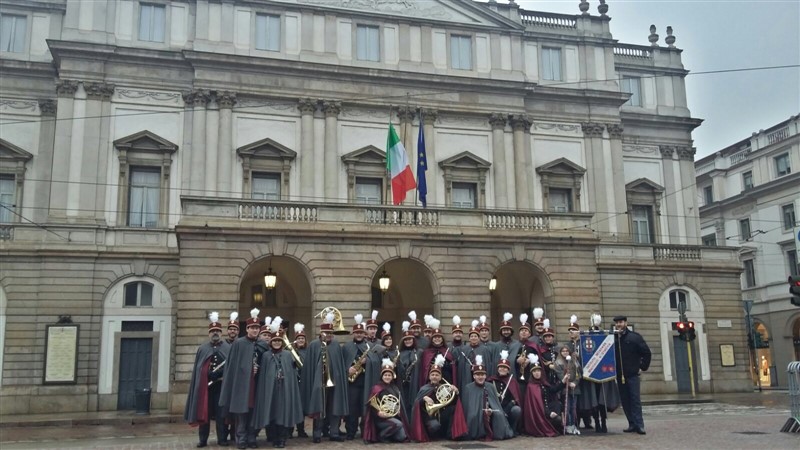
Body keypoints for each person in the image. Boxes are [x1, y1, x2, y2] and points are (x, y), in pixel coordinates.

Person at [252, 318, 304, 449]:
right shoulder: (266, 356)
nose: (276, 343)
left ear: (281, 342)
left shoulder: (287, 355)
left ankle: (281, 438)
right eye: (274, 341)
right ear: (271, 342)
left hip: (284, 389)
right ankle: (273, 436)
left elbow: (292, 372)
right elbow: (263, 374)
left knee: (282, 413)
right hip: (270, 390)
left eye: (278, 341)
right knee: (271, 412)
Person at [301, 311, 349, 443]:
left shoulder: (336, 346)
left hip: (335, 382)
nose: (328, 335)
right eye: (326, 333)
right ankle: (317, 433)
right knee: (319, 407)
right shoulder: (314, 345)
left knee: (335, 407)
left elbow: (339, 363)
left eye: (330, 333)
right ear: (320, 332)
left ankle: (334, 432)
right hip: (319, 383)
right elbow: (310, 366)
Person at [185, 312, 232, 448]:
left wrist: (220, 373)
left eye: (217, 330)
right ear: (209, 333)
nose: (215, 333)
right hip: (206, 388)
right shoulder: (203, 348)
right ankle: (203, 439)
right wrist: (207, 373)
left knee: (221, 415)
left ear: (221, 332)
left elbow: (231, 367)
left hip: (221, 387)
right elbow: (198, 368)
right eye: (212, 331)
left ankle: (222, 438)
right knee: (204, 413)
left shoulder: (227, 348)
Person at [219, 308, 263, 449]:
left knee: (253, 413)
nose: (255, 330)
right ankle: (241, 439)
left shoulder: (263, 345)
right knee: (242, 414)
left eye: (257, 328)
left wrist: (259, 369)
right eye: (252, 328)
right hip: (242, 385)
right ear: (247, 329)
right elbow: (232, 366)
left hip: (257, 384)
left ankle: (252, 438)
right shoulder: (239, 343)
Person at [409, 354, 468, 442]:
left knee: (453, 409)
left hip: (441, 413)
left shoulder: (445, 387)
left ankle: (450, 435)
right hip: (429, 416)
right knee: (434, 426)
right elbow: (416, 404)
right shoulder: (424, 388)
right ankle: (431, 434)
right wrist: (424, 398)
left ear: (440, 377)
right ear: (429, 377)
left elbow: (453, 402)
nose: (434, 377)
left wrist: (456, 393)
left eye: (437, 375)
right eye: (432, 374)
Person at [460, 355, 515, 441]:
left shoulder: (490, 386)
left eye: (482, 375)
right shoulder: (468, 388)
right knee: (473, 416)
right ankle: (477, 433)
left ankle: (497, 434)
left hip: (490, 410)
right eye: (478, 375)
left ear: (485, 376)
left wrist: (490, 409)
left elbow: (495, 403)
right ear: (474, 376)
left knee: (499, 415)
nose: (480, 377)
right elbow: (467, 408)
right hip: (475, 412)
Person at [613, 315, 651, 435]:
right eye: (617, 323)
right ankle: (632, 423)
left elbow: (646, 353)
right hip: (620, 376)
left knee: (635, 400)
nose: (619, 324)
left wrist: (642, 367)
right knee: (625, 401)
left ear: (626, 323)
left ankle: (639, 425)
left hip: (632, 375)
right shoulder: (613, 338)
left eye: (621, 322)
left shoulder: (635, 337)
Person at [362, 358, 409, 443]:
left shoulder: (395, 388)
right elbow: (371, 405)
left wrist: (398, 410)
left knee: (402, 437)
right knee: (398, 424)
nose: (387, 377)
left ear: (392, 377)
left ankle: (388, 434)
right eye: (385, 375)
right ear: (382, 376)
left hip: (392, 416)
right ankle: (381, 435)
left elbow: (398, 403)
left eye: (389, 375)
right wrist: (378, 412)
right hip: (381, 419)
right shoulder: (376, 388)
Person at [521, 354, 566, 437]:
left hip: (548, 409)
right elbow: (537, 406)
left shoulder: (544, 383)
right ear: (532, 373)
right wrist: (549, 413)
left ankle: (558, 426)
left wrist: (563, 381)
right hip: (540, 415)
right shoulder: (531, 387)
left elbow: (553, 390)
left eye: (538, 371)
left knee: (558, 405)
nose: (537, 373)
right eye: (534, 371)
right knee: (557, 419)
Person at [343, 314, 369, 440]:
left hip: (365, 381)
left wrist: (367, 362)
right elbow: (340, 363)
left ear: (364, 334)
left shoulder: (369, 346)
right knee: (352, 408)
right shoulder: (347, 347)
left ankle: (365, 430)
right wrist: (347, 369)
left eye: (361, 332)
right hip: (352, 383)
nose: (359, 334)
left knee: (365, 407)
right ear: (353, 333)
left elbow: (376, 362)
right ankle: (350, 431)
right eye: (357, 332)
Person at [487, 350, 522, 434]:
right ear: (498, 369)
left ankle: (512, 429)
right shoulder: (491, 380)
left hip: (507, 408)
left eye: (505, 367)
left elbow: (515, 399)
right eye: (501, 367)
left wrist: (507, 409)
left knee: (516, 410)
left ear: (508, 370)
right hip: (494, 408)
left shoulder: (512, 381)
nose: (502, 369)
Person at [419, 318, 456, 386]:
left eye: (439, 337)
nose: (437, 339)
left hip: (445, 382)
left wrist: (445, 364)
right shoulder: (426, 353)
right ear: (432, 339)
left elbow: (452, 369)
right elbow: (424, 371)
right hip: (431, 383)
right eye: (435, 337)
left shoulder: (448, 352)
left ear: (442, 339)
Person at [455, 321, 491, 393]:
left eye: (475, 336)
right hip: (467, 378)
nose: (473, 338)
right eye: (471, 336)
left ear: (478, 338)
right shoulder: (464, 349)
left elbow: (487, 365)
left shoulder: (484, 349)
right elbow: (461, 367)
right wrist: (468, 367)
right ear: (469, 338)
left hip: (480, 377)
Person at [397, 321, 422, 419]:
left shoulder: (419, 352)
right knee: (404, 406)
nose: (408, 341)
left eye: (410, 339)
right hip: (403, 385)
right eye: (406, 340)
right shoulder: (399, 353)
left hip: (415, 384)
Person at [554, 344, 581, 435]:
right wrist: (568, 383)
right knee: (567, 407)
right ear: (560, 352)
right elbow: (560, 375)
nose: (565, 352)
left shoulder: (574, 361)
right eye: (563, 351)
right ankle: (567, 425)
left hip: (574, 388)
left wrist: (575, 383)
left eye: (566, 351)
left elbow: (579, 374)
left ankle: (573, 425)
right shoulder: (558, 363)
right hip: (564, 389)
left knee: (574, 408)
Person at [292, 322, 309, 438]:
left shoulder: (308, 351)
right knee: (292, 406)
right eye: (299, 338)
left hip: (304, 382)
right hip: (294, 382)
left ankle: (301, 430)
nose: (301, 340)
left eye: (302, 338)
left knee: (301, 407)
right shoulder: (290, 352)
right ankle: (289, 430)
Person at [494, 313, 522, 377]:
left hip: (514, 377)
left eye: (508, 330)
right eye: (504, 330)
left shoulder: (518, 344)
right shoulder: (496, 346)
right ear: (501, 332)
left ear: (511, 331)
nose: (506, 332)